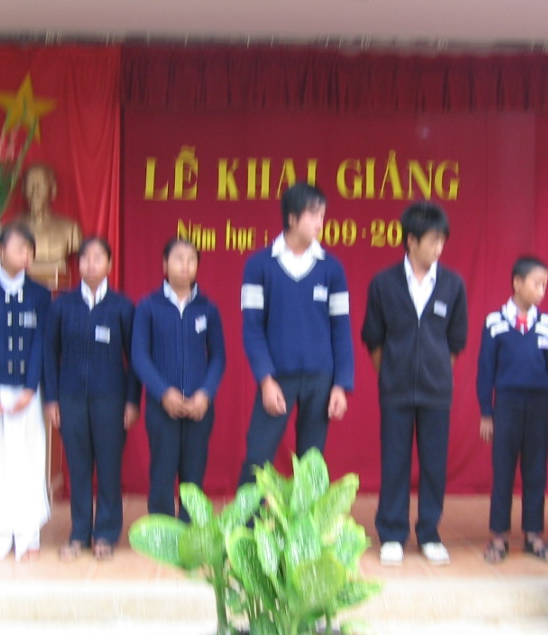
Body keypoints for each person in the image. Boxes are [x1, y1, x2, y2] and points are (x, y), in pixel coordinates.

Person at [362, 202, 468, 566]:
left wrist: (435, 373)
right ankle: (392, 534)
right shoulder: (384, 283)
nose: (439, 248)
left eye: (442, 240)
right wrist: (392, 373)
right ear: (411, 240)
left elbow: (456, 342)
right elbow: (373, 339)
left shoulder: (453, 284)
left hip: (436, 393)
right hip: (395, 392)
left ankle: (429, 534)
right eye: (432, 240)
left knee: (434, 465)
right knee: (394, 463)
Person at [237, 183, 354, 486]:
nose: (320, 222)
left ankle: (307, 520)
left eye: (322, 215)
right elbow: (252, 328)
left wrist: (341, 385)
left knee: (311, 465)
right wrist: (265, 380)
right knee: (257, 457)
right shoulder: (258, 265)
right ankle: (247, 517)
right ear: (291, 217)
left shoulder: (332, 268)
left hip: (321, 379)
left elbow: (341, 329)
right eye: (313, 214)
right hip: (277, 378)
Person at [44, 237, 140, 561]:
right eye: (85, 258)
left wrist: (131, 401)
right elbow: (49, 353)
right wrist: (51, 399)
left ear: (109, 264)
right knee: (78, 468)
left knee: (109, 469)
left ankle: (106, 534)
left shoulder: (122, 307)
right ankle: (79, 533)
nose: (90, 264)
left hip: (111, 399)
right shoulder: (62, 305)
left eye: (98, 258)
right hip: (70, 398)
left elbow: (134, 358)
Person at [0, 221, 51, 562]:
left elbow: (40, 345)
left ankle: (28, 536)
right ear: (0, 251)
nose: (25, 255)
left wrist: (31, 388)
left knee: (28, 460)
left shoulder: (40, 295)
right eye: (19, 248)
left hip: (26, 394)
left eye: (30, 250)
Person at [132, 238, 225, 520]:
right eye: (178, 258)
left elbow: (218, 357)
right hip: (162, 406)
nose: (185, 265)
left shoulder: (208, 308)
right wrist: (163, 393)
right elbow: (139, 356)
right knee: (162, 471)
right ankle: (161, 530)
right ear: (164, 264)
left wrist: (205, 394)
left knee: (193, 473)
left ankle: (189, 528)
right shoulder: (148, 306)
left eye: (191, 260)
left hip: (199, 407)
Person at [476, 256, 548, 564]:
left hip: (537, 407)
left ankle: (533, 534)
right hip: (506, 406)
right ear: (517, 283)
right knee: (503, 471)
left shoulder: (546, 323)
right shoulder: (494, 322)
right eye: (537, 284)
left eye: (545, 285)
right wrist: (487, 412)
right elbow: (485, 370)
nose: (542, 290)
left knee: (536, 471)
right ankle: (498, 535)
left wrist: (543, 401)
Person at [17, 163, 83, 267]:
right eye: (30, 184)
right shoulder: (10, 228)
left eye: (41, 184)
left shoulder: (71, 229)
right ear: (23, 189)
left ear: (53, 189)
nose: (35, 190)